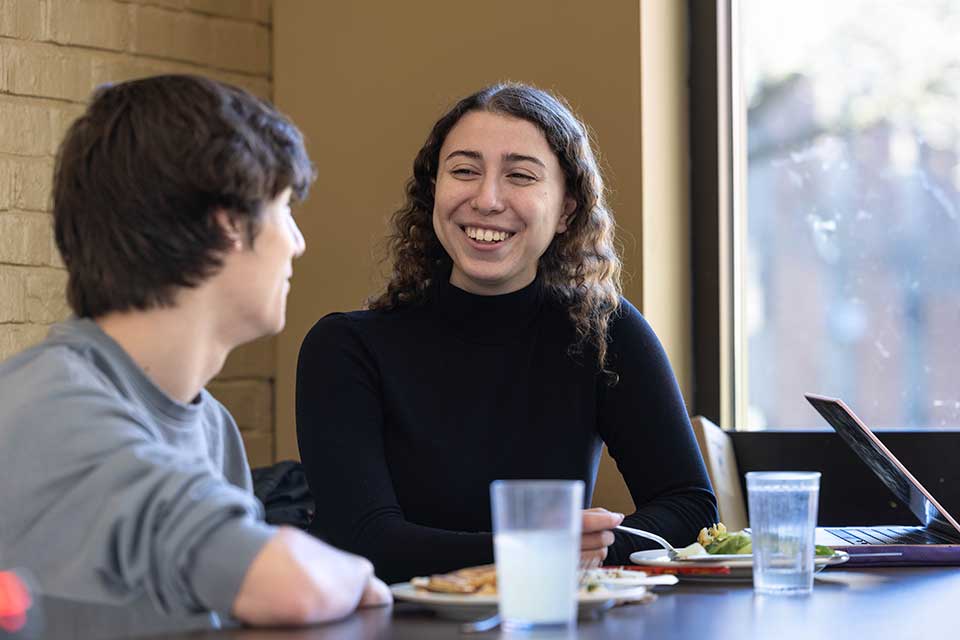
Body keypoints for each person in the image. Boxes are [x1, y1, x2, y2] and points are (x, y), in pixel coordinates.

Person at [0, 75, 390, 637]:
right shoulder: (51, 407)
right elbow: (286, 585)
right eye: (283, 208)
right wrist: (357, 576)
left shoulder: (211, 427)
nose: (298, 242)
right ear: (226, 224)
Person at [296, 82, 719, 585]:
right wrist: (541, 549)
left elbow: (690, 507)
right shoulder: (345, 349)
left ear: (566, 210)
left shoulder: (604, 331)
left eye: (520, 175)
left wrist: (591, 546)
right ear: (434, 191)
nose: (488, 199)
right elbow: (363, 541)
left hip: (550, 616)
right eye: (464, 171)